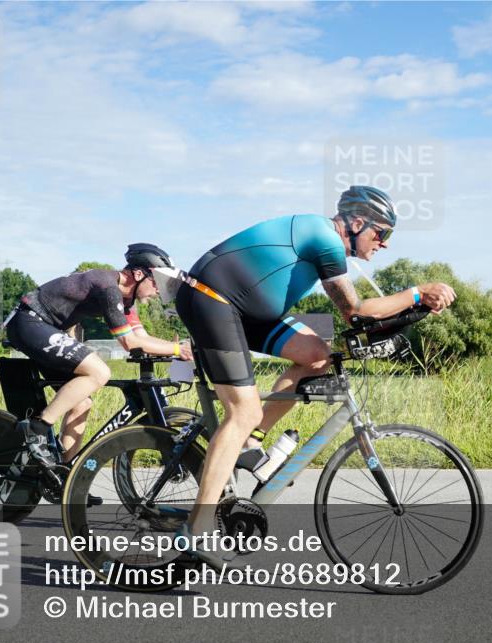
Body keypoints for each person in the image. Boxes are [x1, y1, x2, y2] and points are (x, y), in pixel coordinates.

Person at [175, 186, 456, 559]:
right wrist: (418, 293)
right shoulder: (324, 238)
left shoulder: (331, 245)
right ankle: (196, 529)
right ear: (357, 222)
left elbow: (367, 318)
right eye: (382, 233)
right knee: (242, 411)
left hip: (246, 310)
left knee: (318, 355)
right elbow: (356, 311)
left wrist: (414, 311)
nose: (384, 244)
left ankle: (251, 442)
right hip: (212, 300)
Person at [5, 243, 192, 465]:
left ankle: (66, 472)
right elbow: (129, 342)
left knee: (81, 402)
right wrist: (177, 349)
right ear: (139, 274)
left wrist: (183, 348)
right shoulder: (108, 287)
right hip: (29, 322)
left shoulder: (126, 300)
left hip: (47, 328)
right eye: (156, 282)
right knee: (99, 372)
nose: (159, 290)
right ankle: (36, 428)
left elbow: (142, 338)